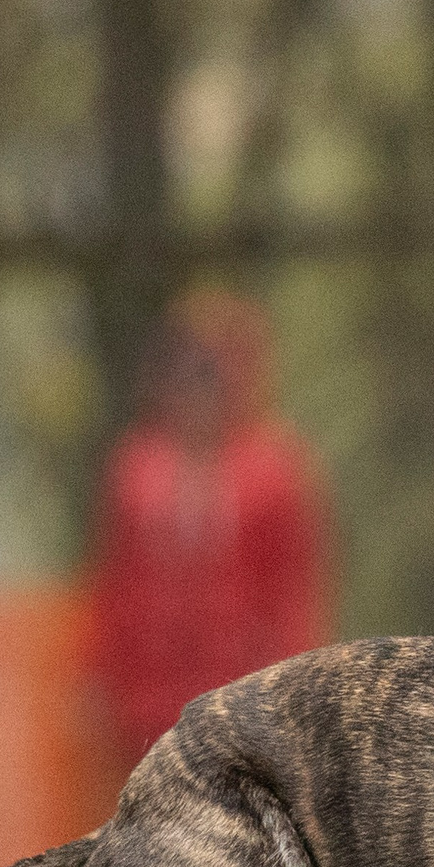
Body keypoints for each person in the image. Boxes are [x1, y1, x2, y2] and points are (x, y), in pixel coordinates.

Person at [87, 290, 332, 768]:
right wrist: (97, 675)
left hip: (242, 702)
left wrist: (293, 691)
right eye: (185, 367)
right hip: (146, 704)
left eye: (211, 369)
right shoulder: (136, 467)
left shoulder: (275, 471)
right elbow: (113, 583)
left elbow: (293, 593)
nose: (197, 385)